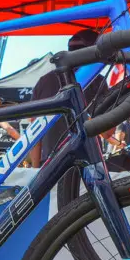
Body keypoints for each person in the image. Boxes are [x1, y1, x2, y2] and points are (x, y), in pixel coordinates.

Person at [30, 29, 104, 167]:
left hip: (50, 165)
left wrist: (35, 168)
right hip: (87, 164)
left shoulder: (44, 81)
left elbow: (34, 131)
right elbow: (107, 133)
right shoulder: (98, 82)